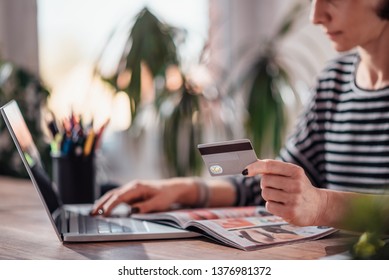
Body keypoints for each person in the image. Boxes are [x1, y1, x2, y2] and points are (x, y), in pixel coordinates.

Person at [92, 0, 389, 229]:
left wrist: (323, 205)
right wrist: (180, 189)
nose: (316, 16)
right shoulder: (333, 81)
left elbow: (314, 203)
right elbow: (272, 184)